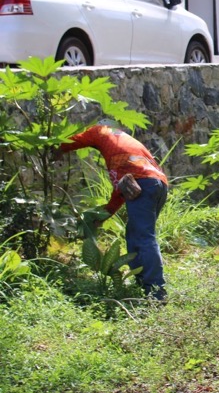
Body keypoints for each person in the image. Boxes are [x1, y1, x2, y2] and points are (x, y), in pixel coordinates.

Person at [58, 121, 169, 300]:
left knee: (143, 238)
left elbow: (76, 139)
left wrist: (56, 148)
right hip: (159, 184)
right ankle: (142, 283)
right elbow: (120, 192)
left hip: (143, 183)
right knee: (135, 235)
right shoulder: (125, 142)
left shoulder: (100, 131)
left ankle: (156, 292)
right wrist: (106, 213)